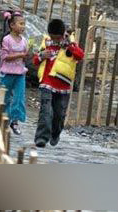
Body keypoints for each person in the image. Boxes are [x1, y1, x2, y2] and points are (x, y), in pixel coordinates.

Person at [33, 18, 84, 148]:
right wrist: (41, 55)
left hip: (63, 85)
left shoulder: (70, 44)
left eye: (57, 38)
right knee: (46, 111)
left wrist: (70, 46)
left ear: (62, 35)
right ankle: (41, 138)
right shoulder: (46, 42)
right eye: (52, 38)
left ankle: (55, 133)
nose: (55, 40)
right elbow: (35, 60)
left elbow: (80, 55)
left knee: (59, 114)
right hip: (46, 82)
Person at [0, 9, 28, 135]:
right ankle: (4, 120)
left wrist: (28, 54)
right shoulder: (6, 39)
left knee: (19, 98)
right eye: (20, 24)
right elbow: (4, 57)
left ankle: (15, 121)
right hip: (7, 73)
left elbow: (25, 56)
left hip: (20, 74)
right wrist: (20, 55)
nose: (23, 26)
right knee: (5, 98)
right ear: (12, 25)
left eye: (23, 24)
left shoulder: (24, 41)